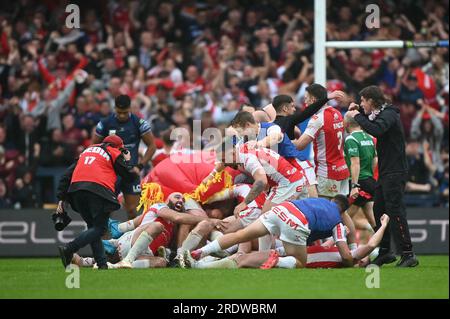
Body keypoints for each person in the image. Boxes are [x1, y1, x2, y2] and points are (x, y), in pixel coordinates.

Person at [346, 85, 418, 267]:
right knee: (379, 210)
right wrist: (359, 113)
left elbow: (376, 130)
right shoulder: (381, 114)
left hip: (395, 171)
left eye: (363, 101)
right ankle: (386, 252)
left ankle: (408, 254)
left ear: (371, 100)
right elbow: (372, 124)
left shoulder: (389, 113)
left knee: (395, 212)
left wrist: (357, 116)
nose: (362, 104)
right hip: (386, 171)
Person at [189, 195, 354, 269]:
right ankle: (276, 262)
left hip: (283, 208)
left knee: (241, 235)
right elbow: (346, 256)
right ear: (342, 212)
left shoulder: (319, 200)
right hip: (297, 221)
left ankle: (201, 251)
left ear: (332, 200)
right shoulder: (338, 223)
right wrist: (351, 263)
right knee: (300, 262)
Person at [184, 214, 390, 269]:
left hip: (293, 258)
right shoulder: (340, 254)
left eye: (364, 258)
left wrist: (383, 225)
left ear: (362, 261)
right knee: (243, 257)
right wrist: (341, 233)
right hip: (291, 251)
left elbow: (371, 245)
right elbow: (327, 247)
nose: (362, 256)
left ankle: (200, 265)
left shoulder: (349, 258)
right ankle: (201, 262)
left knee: (243, 259)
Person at [55, 135, 137, 269]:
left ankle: (102, 264)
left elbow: (66, 175)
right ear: (118, 148)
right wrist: (128, 161)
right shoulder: (113, 151)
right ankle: (69, 249)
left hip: (76, 191)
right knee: (100, 228)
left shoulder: (87, 151)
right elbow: (129, 176)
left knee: (93, 228)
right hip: (97, 190)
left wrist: (61, 198)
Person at [108, 192, 221, 269]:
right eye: (177, 197)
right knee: (157, 226)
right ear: (167, 199)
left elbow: (131, 223)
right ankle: (127, 260)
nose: (181, 201)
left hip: (143, 254)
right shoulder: (159, 206)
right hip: (130, 243)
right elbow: (178, 217)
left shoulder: (174, 227)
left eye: (182, 200)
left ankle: (117, 265)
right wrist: (211, 220)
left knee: (161, 262)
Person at [93, 94, 156, 218]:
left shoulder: (139, 123)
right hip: (111, 173)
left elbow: (152, 146)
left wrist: (140, 165)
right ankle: (103, 237)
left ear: (130, 109)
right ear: (115, 108)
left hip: (131, 172)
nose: (122, 115)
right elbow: (94, 147)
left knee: (133, 210)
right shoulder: (105, 124)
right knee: (106, 211)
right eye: (119, 112)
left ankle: (131, 237)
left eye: (125, 112)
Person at [294, 84, 350, 198]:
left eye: (306, 98)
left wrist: (282, 140)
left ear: (313, 99)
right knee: (340, 210)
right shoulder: (337, 113)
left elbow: (300, 146)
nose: (305, 102)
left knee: (324, 210)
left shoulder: (318, 118)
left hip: (328, 172)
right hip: (342, 168)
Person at [343, 112, 377, 230]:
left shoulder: (350, 139)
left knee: (344, 217)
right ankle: (386, 245)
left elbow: (355, 162)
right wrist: (368, 174)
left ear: (347, 123)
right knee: (372, 219)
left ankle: (340, 246)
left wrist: (354, 185)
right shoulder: (370, 138)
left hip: (358, 183)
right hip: (370, 181)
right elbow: (375, 160)